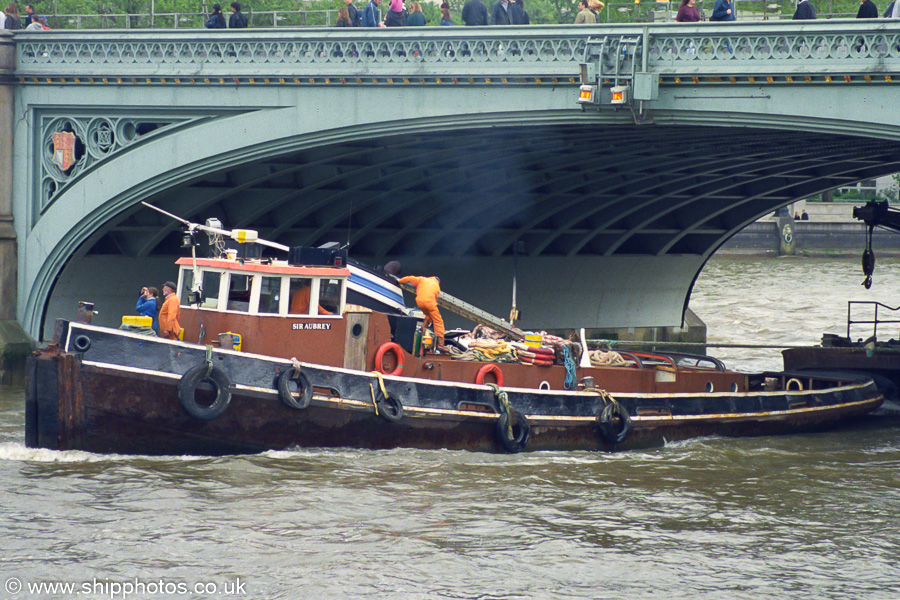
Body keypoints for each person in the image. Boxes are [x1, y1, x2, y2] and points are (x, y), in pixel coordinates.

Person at [398, 275, 446, 351]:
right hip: (429, 303)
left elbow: (410, 279)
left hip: (419, 303)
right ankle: (440, 344)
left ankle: (423, 328)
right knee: (438, 321)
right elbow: (434, 299)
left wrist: (399, 281)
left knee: (429, 314)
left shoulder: (422, 279)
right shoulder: (437, 286)